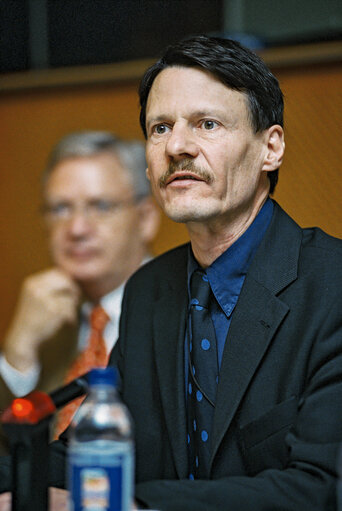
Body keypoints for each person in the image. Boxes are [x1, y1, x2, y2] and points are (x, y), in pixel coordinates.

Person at [1, 35, 342, 510]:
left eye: (207, 123)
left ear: (271, 147)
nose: (177, 146)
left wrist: (129, 504)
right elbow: (83, 454)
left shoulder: (332, 285)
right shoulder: (150, 291)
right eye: (160, 128)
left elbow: (323, 489)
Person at [0, 131, 160, 452]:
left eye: (99, 206)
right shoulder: (44, 318)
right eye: (60, 209)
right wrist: (17, 355)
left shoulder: (185, 306)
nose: (76, 229)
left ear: (145, 218)